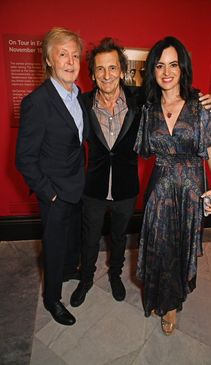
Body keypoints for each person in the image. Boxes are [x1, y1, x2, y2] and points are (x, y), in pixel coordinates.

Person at [70, 37, 211, 309]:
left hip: (127, 188)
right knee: (89, 239)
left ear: (122, 70)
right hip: (93, 187)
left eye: (113, 68)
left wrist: (205, 100)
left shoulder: (140, 101)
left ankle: (115, 276)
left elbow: (177, 97)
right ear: (92, 73)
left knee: (119, 237)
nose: (107, 75)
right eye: (100, 69)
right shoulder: (82, 103)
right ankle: (86, 279)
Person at [134, 36, 211, 336]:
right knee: (159, 246)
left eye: (173, 64)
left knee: (179, 246)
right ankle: (160, 295)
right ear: (153, 71)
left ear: (183, 68)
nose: (167, 71)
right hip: (159, 190)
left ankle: (171, 305)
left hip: (190, 190)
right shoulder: (148, 109)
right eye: (160, 65)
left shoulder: (201, 106)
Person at [16, 27, 88, 326]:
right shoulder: (37, 102)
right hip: (55, 194)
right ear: (48, 59)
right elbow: (25, 159)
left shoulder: (79, 95)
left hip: (78, 187)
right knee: (55, 248)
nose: (71, 61)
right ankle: (52, 300)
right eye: (63, 54)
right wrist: (50, 194)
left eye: (75, 55)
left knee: (72, 242)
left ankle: (69, 271)